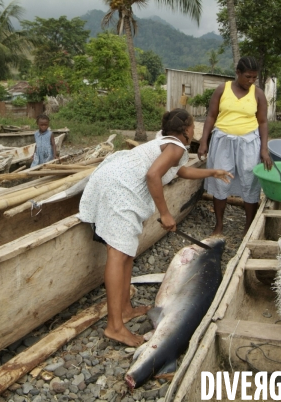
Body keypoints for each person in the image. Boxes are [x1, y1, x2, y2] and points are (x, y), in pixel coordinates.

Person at [78, 108, 233, 347]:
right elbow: (153, 175)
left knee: (127, 252)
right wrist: (165, 213)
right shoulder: (177, 147)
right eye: (193, 125)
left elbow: (181, 171)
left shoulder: (167, 143)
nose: (195, 129)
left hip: (114, 179)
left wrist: (213, 171)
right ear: (186, 130)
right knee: (117, 254)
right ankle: (114, 327)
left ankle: (125, 309)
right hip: (120, 188)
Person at [197, 56, 272, 235]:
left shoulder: (258, 94)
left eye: (254, 77)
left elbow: (262, 122)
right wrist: (203, 140)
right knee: (220, 179)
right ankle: (219, 224)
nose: (251, 81)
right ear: (237, 73)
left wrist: (264, 148)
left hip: (249, 143)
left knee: (249, 180)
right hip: (222, 141)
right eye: (247, 76)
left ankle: (248, 225)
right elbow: (211, 116)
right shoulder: (222, 90)